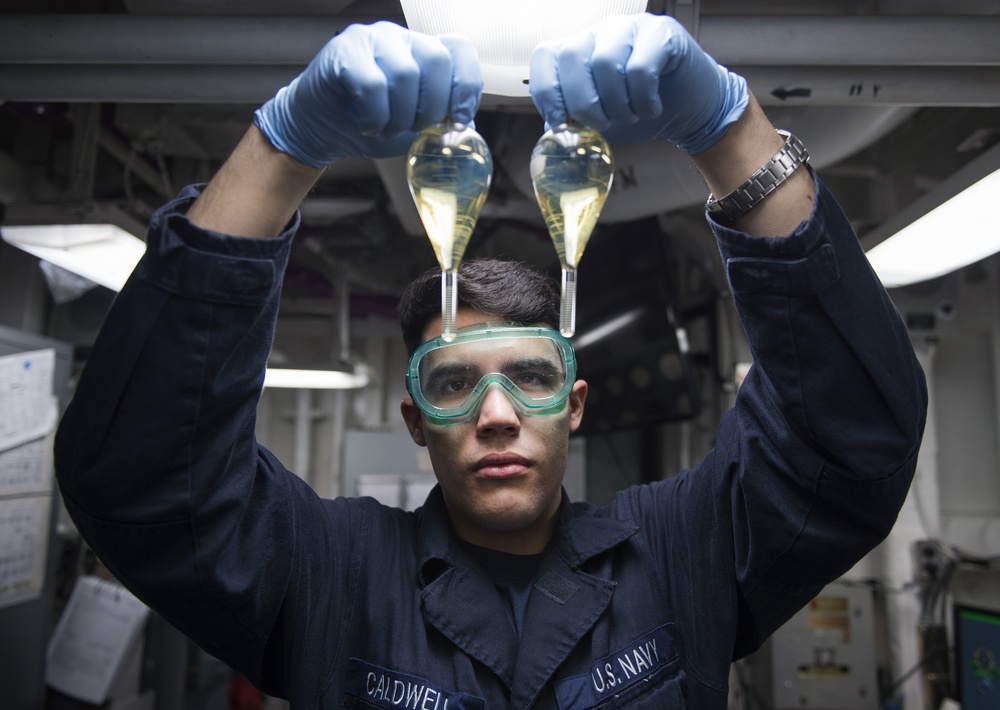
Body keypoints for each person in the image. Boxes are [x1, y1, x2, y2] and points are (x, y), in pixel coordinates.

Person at [54, 13, 927, 710]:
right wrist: (286, 146)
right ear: (414, 419)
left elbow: (847, 443)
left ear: (575, 404)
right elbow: (143, 481)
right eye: (453, 383)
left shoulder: (681, 554)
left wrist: (731, 131)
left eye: (533, 377)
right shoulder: (328, 571)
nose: (498, 412)